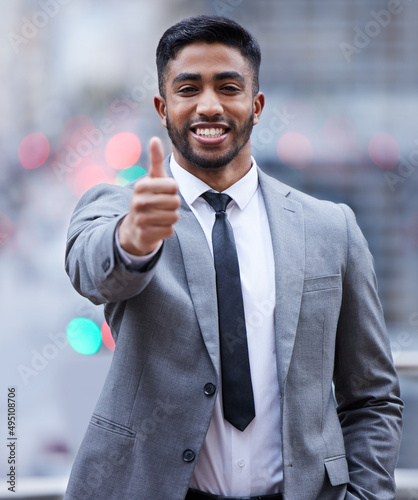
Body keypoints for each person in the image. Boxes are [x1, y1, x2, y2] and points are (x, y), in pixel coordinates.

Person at [64, 15, 403, 500]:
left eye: (228, 87)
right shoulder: (122, 209)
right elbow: (92, 270)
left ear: (256, 105)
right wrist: (134, 239)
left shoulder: (331, 227)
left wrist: (367, 496)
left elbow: (371, 396)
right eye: (188, 89)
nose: (208, 106)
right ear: (163, 107)